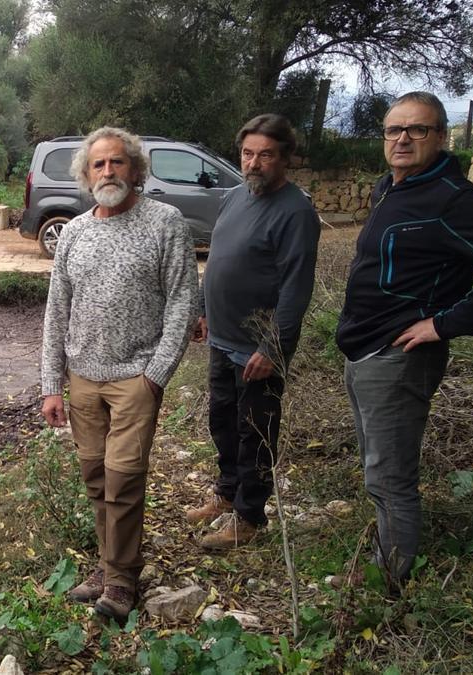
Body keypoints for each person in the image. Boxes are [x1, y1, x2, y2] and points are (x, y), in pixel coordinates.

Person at [337, 91, 473, 587]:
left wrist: (443, 324)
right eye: (393, 130)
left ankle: (388, 583)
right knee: (376, 470)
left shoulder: (452, 199)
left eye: (417, 129)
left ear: (442, 137)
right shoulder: (392, 187)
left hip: (399, 357)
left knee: (390, 476)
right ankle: (386, 558)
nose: (402, 138)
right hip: (366, 350)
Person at [40, 126, 198, 622]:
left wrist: (156, 374)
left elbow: (182, 301)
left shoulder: (165, 222)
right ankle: (112, 565)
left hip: (136, 376)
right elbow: (56, 311)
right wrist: (51, 384)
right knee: (95, 476)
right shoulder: (75, 232)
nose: (108, 171)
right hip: (83, 378)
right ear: (86, 176)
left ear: (136, 168)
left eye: (117, 162)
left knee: (123, 479)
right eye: (98, 164)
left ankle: (123, 582)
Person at [185, 114, 321, 549]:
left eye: (265, 155)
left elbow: (296, 288)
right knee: (221, 421)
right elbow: (217, 258)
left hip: (259, 349)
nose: (254, 163)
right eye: (247, 153)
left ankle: (249, 516)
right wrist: (204, 309)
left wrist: (273, 347)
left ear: (285, 159)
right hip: (223, 339)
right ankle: (227, 493)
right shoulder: (235, 197)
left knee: (256, 432)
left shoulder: (296, 212)